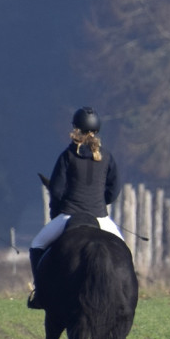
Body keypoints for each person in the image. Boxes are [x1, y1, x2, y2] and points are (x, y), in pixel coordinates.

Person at [27, 106, 123, 309]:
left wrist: (62, 208)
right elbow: (114, 190)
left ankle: (40, 292)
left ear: (76, 129)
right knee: (124, 252)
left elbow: (57, 191)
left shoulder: (67, 156)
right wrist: (99, 202)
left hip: (69, 216)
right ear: (96, 130)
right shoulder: (106, 156)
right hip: (100, 218)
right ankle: (123, 294)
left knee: (37, 245)